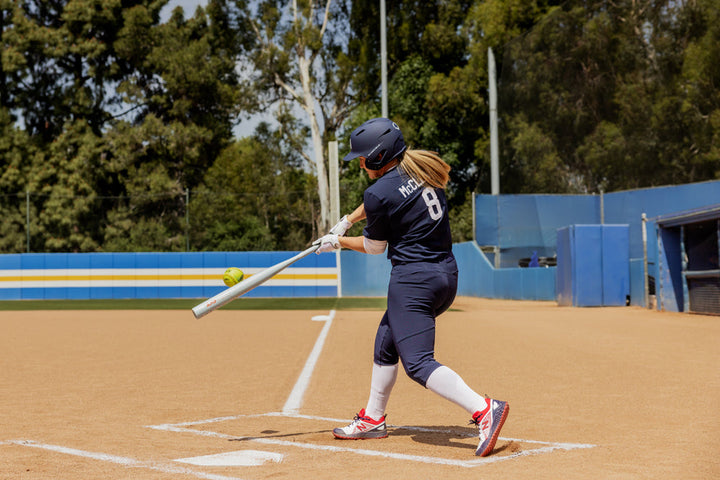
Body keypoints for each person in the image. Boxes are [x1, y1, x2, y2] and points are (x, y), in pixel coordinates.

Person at [313, 117, 509, 457]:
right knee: (386, 341)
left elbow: (375, 247)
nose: (359, 163)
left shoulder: (378, 192)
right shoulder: (421, 169)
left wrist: (338, 242)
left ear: (378, 156)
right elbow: (386, 198)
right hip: (445, 275)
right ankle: (373, 419)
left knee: (417, 363)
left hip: (413, 281)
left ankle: (483, 409)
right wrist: (348, 219)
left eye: (362, 157)